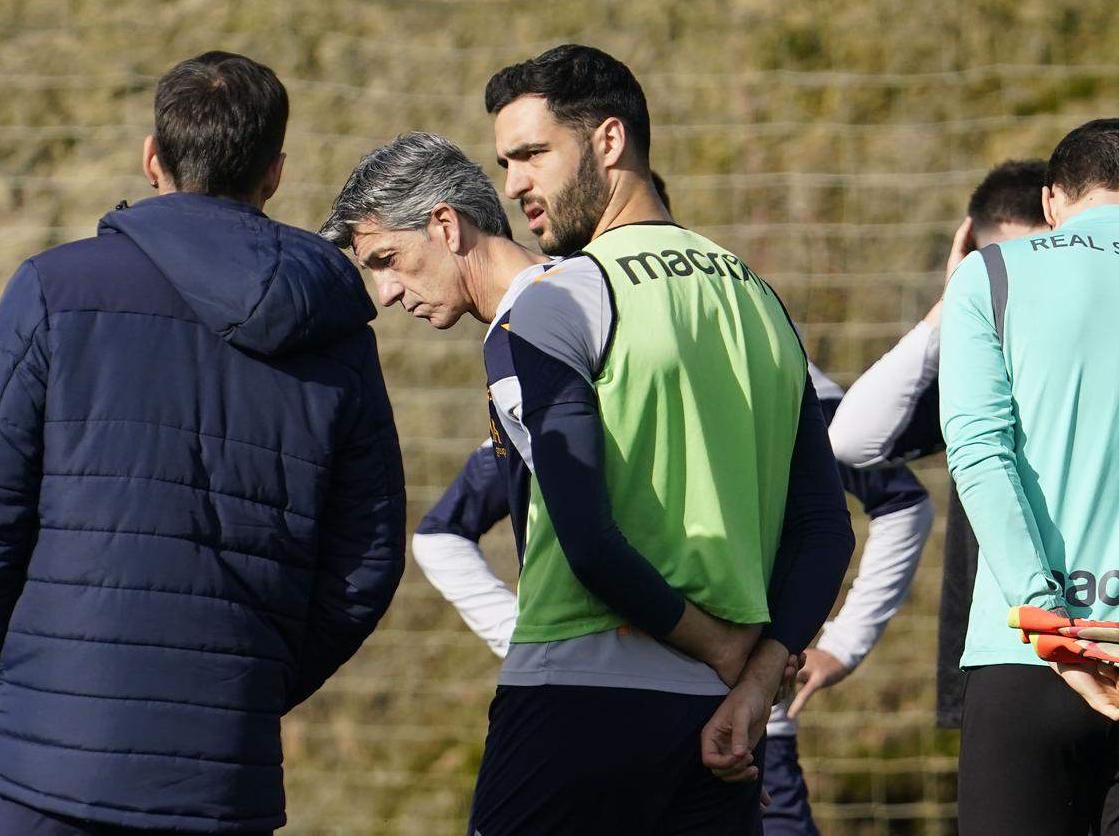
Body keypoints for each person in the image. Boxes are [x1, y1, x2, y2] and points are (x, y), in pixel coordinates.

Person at [323, 47, 853, 835]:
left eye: (532, 154)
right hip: (718, 717)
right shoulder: (759, 299)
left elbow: (588, 542)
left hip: (578, 692)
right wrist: (755, 674)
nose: (512, 186)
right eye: (506, 162)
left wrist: (720, 649)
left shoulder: (557, 300)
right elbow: (826, 528)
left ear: (609, 141)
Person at [0, 51, 406, 835]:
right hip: (220, 773)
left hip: (48, 764)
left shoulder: (55, 289)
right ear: (275, 172)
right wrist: (251, 681)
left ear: (152, 157)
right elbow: (366, 560)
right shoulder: (335, 332)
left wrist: (20, 669)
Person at [414, 360, 931, 835]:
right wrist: (534, 638)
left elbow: (896, 502)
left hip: (741, 720)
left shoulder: (772, 359)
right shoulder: (590, 368)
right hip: (597, 709)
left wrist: (842, 644)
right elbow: (441, 534)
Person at [940, 119, 1119, 835]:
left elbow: (980, 454)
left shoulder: (993, 273)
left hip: (1027, 653)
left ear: (1050, 201)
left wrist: (1051, 626)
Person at [826, 160, 1049, 729]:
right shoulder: (973, 364)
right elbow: (852, 439)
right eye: (1002, 265)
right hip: (1005, 654)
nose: (1019, 284)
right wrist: (955, 304)